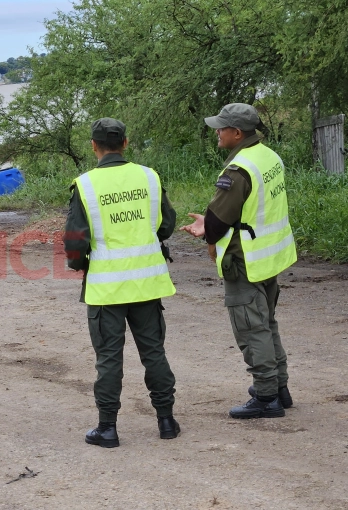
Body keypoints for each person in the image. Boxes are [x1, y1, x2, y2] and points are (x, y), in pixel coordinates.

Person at [64, 118, 179, 448]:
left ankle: (108, 428)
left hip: (106, 289)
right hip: (147, 284)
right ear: (125, 143)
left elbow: (75, 241)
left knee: (109, 359)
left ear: (93, 146)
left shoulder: (85, 186)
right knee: (154, 352)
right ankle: (166, 421)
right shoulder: (148, 177)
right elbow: (166, 223)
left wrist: (80, 265)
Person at [180, 103, 297, 419]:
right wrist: (211, 221)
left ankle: (266, 397)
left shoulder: (238, 170)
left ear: (237, 133)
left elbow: (218, 223)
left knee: (251, 329)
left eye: (221, 127)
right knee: (266, 323)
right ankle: (279, 388)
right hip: (268, 256)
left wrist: (204, 228)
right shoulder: (268, 156)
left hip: (243, 260)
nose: (217, 132)